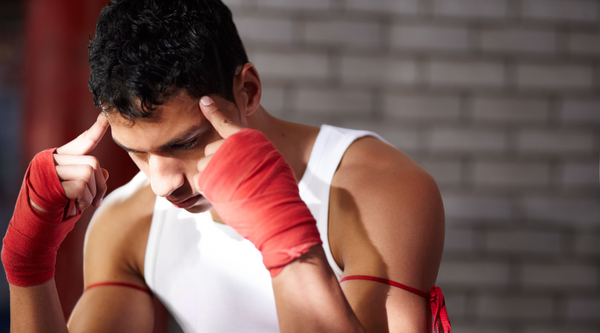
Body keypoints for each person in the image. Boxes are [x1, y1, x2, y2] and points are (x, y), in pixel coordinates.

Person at [2, 0, 450, 332]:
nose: (162, 185)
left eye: (187, 142)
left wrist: (285, 236)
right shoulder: (128, 222)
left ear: (248, 91)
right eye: (136, 152)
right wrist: (27, 266)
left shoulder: (379, 191)